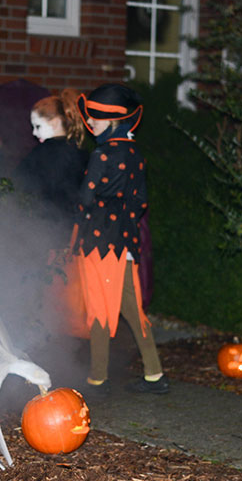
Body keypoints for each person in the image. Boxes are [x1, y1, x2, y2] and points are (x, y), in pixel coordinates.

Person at [74, 83, 166, 395]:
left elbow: (85, 197)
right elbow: (141, 201)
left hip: (99, 244)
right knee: (131, 307)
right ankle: (154, 373)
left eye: (95, 119)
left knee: (99, 306)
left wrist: (91, 202)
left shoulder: (101, 155)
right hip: (125, 243)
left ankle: (98, 379)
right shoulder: (135, 154)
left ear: (110, 120)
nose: (92, 124)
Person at [16, 88, 89, 233]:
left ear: (55, 123)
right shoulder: (82, 152)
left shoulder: (42, 153)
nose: (34, 133)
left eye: (38, 126)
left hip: (45, 227)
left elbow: (18, 183)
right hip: (74, 228)